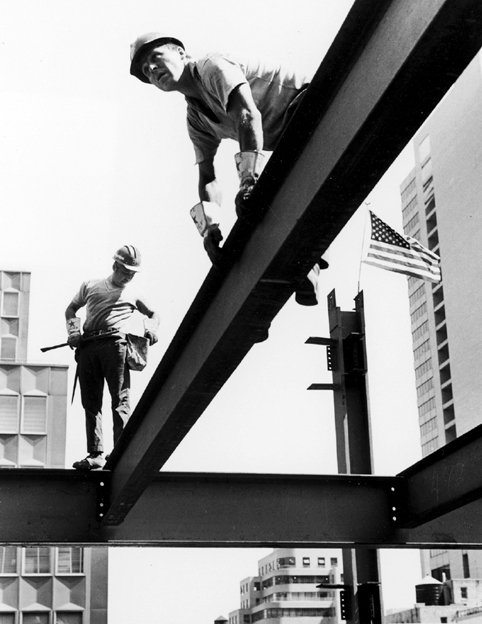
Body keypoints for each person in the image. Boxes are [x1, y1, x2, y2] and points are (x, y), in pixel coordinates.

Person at [129, 32, 327, 306]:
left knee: (256, 197)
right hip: (288, 141)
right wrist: (209, 228)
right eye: (145, 70)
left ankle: (305, 261)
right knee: (254, 206)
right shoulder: (196, 117)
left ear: (181, 52)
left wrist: (249, 182)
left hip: (312, 105)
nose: (151, 69)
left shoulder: (211, 67)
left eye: (155, 57)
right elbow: (207, 176)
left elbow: (248, 114)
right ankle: (285, 276)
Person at [65, 245, 160, 470]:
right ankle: (96, 454)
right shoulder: (90, 286)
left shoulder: (134, 293)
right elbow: (71, 309)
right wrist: (73, 332)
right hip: (89, 347)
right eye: (125, 271)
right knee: (91, 402)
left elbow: (153, 313)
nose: (128, 276)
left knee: (120, 400)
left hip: (115, 346)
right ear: (115, 266)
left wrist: (151, 328)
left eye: (132, 273)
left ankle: (121, 451)